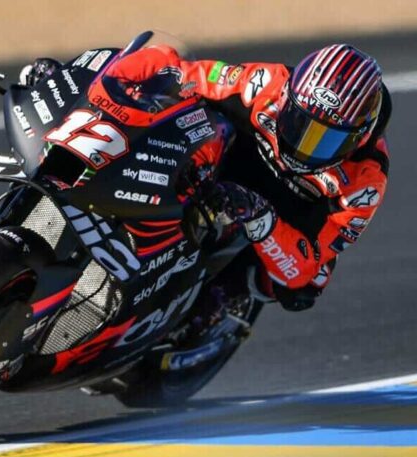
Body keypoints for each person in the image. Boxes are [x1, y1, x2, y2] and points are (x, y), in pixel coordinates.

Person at [21, 43, 391, 320]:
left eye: (325, 140)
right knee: (185, 112)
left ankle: (221, 306)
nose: (303, 145)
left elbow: (306, 267)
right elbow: (177, 71)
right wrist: (80, 84)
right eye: (298, 122)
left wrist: (262, 219)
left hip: (283, 214)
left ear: (359, 137)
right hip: (220, 164)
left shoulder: (365, 182)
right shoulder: (264, 84)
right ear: (288, 97)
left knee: (303, 289)